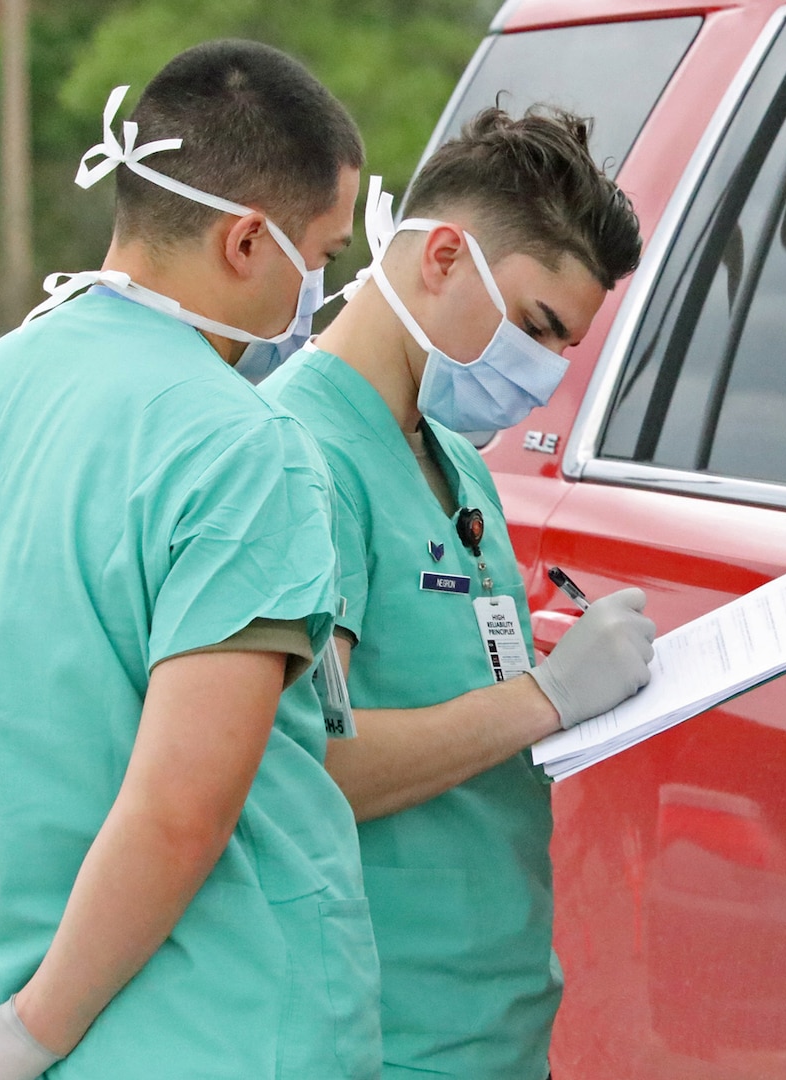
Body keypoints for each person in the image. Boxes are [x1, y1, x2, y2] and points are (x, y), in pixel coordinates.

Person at [0, 40, 383, 1080]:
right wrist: (35, 1034)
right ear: (247, 241)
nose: (321, 291)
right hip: (237, 1033)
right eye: (322, 255)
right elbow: (179, 808)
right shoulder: (242, 448)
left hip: (23, 1022)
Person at [257, 107, 651, 1079]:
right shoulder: (297, 458)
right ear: (441, 256)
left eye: (565, 349)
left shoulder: (457, 469)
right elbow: (299, 771)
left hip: (494, 1027)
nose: (542, 377)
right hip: (377, 1039)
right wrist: (545, 698)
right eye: (534, 328)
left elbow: (467, 706)